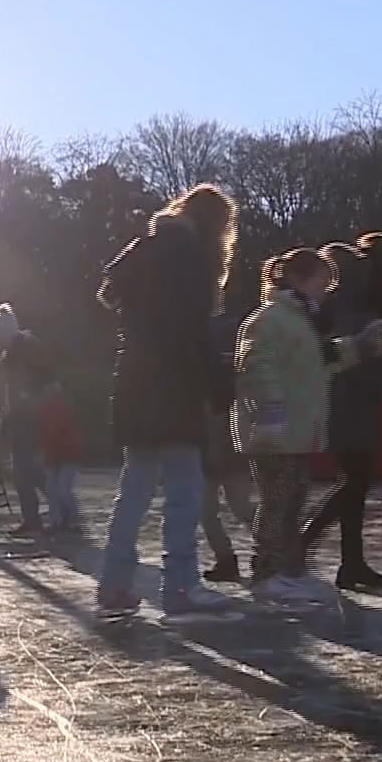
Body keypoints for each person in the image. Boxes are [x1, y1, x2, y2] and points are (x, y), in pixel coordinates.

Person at [94, 186, 236, 616]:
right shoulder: (191, 261)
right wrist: (219, 384)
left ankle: (114, 584)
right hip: (175, 386)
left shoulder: (144, 249)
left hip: (135, 383)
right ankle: (181, 584)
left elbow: (108, 291)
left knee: (134, 489)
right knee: (184, 491)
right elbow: (194, 332)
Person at [233, 248, 382, 603]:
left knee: (292, 500)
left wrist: (361, 347)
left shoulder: (301, 319)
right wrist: (270, 412)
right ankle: (266, 572)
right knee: (278, 501)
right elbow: (255, 365)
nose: (327, 287)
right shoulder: (272, 317)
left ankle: (286, 570)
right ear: (297, 278)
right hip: (276, 429)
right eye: (322, 279)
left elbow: (317, 360)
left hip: (297, 427)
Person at [302, 233, 382, 590]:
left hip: (359, 396)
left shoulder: (365, 295)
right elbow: (343, 345)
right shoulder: (353, 295)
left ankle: (351, 563)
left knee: (355, 483)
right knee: (354, 482)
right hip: (347, 396)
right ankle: (302, 545)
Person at [200, 300, 252, 582]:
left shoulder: (205, 387)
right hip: (230, 451)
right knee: (240, 507)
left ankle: (227, 559)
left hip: (214, 454)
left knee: (209, 512)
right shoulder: (235, 382)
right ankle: (274, 552)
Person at [0, 303, 51, 536]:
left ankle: (51, 513)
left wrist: (16, 412)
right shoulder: (15, 353)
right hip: (21, 419)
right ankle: (40, 516)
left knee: (27, 471)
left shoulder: (19, 354)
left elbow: (24, 389)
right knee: (25, 472)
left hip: (27, 419)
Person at [38, 381, 85, 534]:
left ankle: (62, 520)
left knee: (58, 489)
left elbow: (51, 433)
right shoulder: (61, 408)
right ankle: (68, 520)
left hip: (61, 454)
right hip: (65, 453)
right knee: (60, 489)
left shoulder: (51, 409)